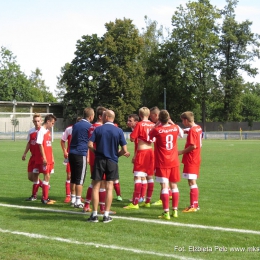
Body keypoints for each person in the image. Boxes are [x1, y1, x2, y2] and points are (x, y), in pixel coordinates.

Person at [87, 110, 130, 223]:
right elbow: (125, 150)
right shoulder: (119, 131)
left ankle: (94, 214)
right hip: (112, 161)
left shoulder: (98, 129)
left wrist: (96, 152)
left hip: (99, 159)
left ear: (106, 117)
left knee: (95, 187)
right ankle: (106, 215)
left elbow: (89, 144)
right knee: (109, 187)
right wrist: (116, 155)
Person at [149, 110, 184, 220]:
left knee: (165, 186)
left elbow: (150, 136)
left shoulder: (157, 130)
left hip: (162, 162)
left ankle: (166, 212)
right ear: (169, 118)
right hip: (174, 161)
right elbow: (182, 134)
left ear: (159, 118)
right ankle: (175, 211)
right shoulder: (176, 127)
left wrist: (157, 123)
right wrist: (172, 122)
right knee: (174, 186)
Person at [124, 107, 155, 209]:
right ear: (149, 114)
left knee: (138, 176)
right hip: (150, 151)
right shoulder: (153, 124)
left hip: (142, 151)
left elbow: (133, 138)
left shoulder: (140, 124)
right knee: (149, 176)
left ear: (140, 115)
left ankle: (135, 203)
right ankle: (147, 201)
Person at [69, 108, 95, 208]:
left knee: (73, 177)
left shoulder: (76, 124)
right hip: (81, 152)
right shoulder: (90, 126)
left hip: (72, 152)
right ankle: (78, 201)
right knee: (80, 179)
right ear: (91, 116)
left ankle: (73, 198)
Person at [178, 111, 203, 212]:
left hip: (191, 158)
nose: (182, 123)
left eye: (182, 121)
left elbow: (193, 146)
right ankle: (195, 204)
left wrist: (180, 152)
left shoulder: (193, 130)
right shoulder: (198, 127)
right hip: (196, 158)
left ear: (186, 120)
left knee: (192, 182)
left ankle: (194, 206)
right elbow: (188, 130)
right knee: (192, 181)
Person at [150, 106, 173, 206]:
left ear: (156, 115)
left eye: (151, 116)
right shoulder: (171, 126)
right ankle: (169, 193)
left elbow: (150, 136)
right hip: (171, 158)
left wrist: (156, 126)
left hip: (162, 158)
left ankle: (164, 197)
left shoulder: (159, 128)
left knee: (163, 179)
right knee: (168, 180)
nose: (151, 118)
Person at [34, 114, 57, 204]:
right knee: (46, 175)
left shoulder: (47, 131)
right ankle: (44, 198)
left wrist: (52, 157)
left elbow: (49, 146)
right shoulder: (41, 131)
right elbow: (40, 144)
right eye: (52, 123)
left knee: (48, 176)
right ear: (48, 121)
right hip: (44, 159)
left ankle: (45, 198)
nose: (53, 125)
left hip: (49, 158)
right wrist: (44, 157)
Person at [60, 117, 82, 203]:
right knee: (69, 175)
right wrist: (65, 151)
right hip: (70, 156)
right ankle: (68, 195)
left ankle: (77, 196)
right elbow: (62, 141)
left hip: (80, 155)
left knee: (78, 176)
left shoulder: (83, 130)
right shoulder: (69, 129)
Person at [22, 113, 43, 201]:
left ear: (41, 121)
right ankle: (44, 185)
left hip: (39, 158)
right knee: (30, 177)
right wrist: (25, 153)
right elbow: (29, 143)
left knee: (35, 176)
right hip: (32, 157)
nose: (37, 123)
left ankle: (34, 196)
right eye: (35, 121)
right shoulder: (31, 131)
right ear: (33, 122)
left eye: (38, 121)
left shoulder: (43, 131)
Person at [127, 113, 146, 203]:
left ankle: (139, 197)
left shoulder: (138, 130)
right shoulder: (137, 129)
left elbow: (139, 145)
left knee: (139, 177)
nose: (128, 122)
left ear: (136, 122)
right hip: (145, 155)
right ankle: (142, 197)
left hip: (141, 155)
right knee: (143, 176)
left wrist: (135, 156)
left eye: (130, 121)